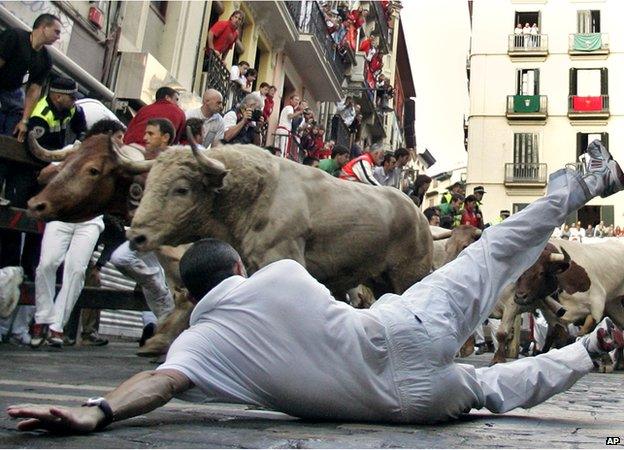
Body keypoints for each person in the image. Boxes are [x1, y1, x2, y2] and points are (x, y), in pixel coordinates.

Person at [9, 141, 624, 432]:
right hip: (403, 331)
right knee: (493, 251)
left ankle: (585, 351)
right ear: (237, 269)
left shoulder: (197, 349)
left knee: (489, 387)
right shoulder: (273, 274)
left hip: (406, 407)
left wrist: (99, 409)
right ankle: (582, 184)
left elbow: (157, 383)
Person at [110, 118, 176, 339]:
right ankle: (165, 329)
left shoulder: (173, 164)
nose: (145, 137)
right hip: (143, 233)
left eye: (151, 134)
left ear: (165, 138)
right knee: (151, 281)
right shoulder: (138, 159)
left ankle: (165, 325)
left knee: (122, 259)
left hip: (162, 233)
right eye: (145, 133)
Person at [0, 13, 60, 142]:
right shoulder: (15, 36)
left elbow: (34, 90)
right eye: (56, 32)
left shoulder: (46, 60)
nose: (58, 37)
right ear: (44, 27)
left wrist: (25, 121)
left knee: (11, 133)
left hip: (14, 93)